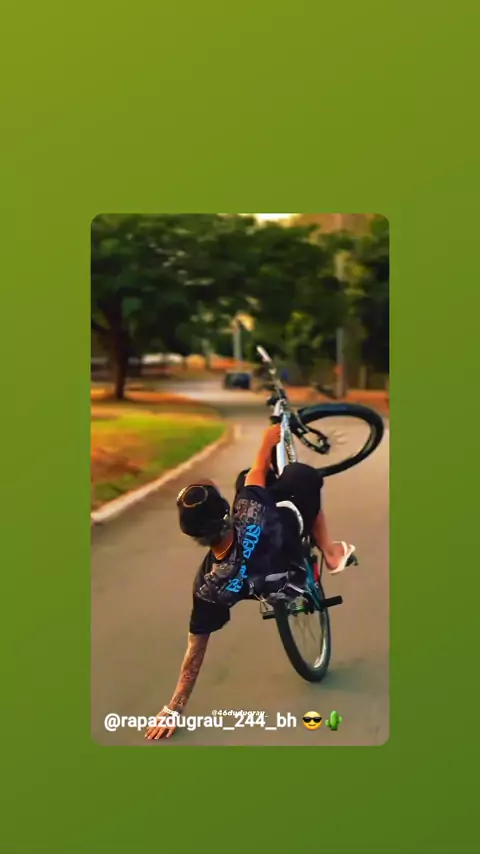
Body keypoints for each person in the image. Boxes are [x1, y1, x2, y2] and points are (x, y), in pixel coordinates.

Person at [145, 423, 355, 740]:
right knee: (300, 476)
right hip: (290, 537)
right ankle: (329, 550)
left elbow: (195, 650)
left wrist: (174, 707)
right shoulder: (250, 509)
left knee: (250, 479)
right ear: (227, 512)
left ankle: (316, 553)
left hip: (269, 584)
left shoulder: (209, 586)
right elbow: (258, 469)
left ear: (193, 535)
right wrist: (267, 442)